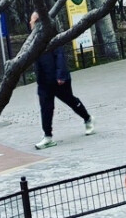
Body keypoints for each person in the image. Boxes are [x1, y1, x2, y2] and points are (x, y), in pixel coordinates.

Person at [30, 11, 95, 149]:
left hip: (57, 79)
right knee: (46, 108)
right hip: (43, 82)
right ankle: (47, 136)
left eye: (33, 21)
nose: (31, 23)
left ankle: (88, 118)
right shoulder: (34, 40)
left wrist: (60, 75)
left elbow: (60, 55)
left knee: (70, 100)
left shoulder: (51, 38)